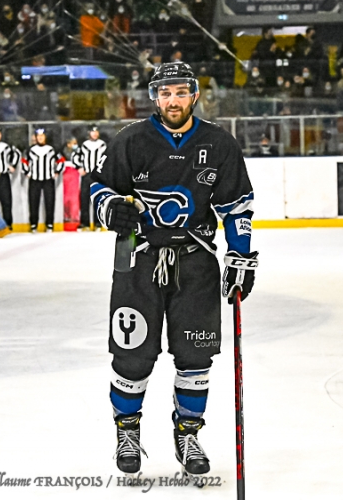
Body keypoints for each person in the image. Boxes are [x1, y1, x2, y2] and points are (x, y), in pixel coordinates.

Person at [90, 62, 258, 477]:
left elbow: (237, 205)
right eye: (165, 93)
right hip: (138, 260)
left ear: (195, 95)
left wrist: (241, 256)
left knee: (196, 356)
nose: (173, 100)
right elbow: (98, 187)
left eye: (181, 92)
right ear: (154, 97)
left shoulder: (219, 143)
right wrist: (111, 208)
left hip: (196, 261)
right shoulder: (131, 140)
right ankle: (127, 431)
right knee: (132, 356)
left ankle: (188, 434)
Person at [23, 128, 64, 232]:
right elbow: (23, 161)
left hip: (48, 180)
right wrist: (27, 172)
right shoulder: (30, 149)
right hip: (34, 180)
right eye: (38, 136)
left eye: (42, 136)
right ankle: (33, 224)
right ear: (36, 137)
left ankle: (49, 224)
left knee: (50, 202)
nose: (40, 138)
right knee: (33, 202)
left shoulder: (52, 149)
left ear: (45, 137)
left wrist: (57, 172)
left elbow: (61, 161)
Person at [75, 125, 107, 230]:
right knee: (84, 198)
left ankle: (98, 222)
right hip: (87, 174)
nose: (95, 134)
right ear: (89, 133)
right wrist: (79, 167)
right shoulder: (84, 145)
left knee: (98, 198)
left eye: (96, 132)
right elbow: (75, 157)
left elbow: (108, 158)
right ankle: (85, 223)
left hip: (98, 175)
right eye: (93, 132)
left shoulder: (102, 144)